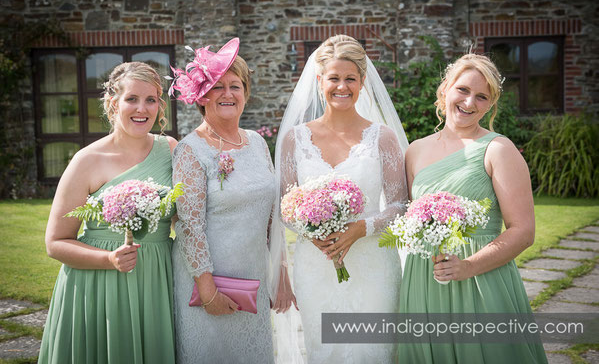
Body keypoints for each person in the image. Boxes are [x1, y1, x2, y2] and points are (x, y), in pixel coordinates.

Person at [398, 54, 548, 363]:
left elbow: (523, 231)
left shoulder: (498, 149)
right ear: (446, 90)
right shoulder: (415, 150)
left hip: (480, 280)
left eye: (482, 97)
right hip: (425, 278)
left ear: (490, 104)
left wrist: (467, 267)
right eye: (463, 90)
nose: (469, 102)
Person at [275, 34, 409, 363]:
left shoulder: (383, 138)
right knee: (324, 350)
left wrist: (361, 227)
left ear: (363, 81)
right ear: (319, 80)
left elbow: (400, 206)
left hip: (373, 263)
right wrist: (312, 231)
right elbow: (284, 206)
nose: (342, 86)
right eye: (333, 78)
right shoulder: (296, 139)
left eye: (350, 78)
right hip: (316, 263)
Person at [38, 62, 178, 364]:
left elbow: (187, 219)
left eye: (151, 99)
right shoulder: (87, 160)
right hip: (99, 285)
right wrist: (109, 260)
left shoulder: (170, 150)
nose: (142, 108)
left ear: (160, 106)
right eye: (132, 99)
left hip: (156, 281)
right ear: (113, 103)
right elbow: (56, 242)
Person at [168, 38, 295, 363]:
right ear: (201, 96)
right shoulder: (191, 150)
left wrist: (280, 273)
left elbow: (271, 216)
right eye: (217, 86)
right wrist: (208, 292)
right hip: (207, 283)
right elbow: (189, 227)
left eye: (235, 86)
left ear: (246, 93)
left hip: (253, 277)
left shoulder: (255, 143)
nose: (227, 94)